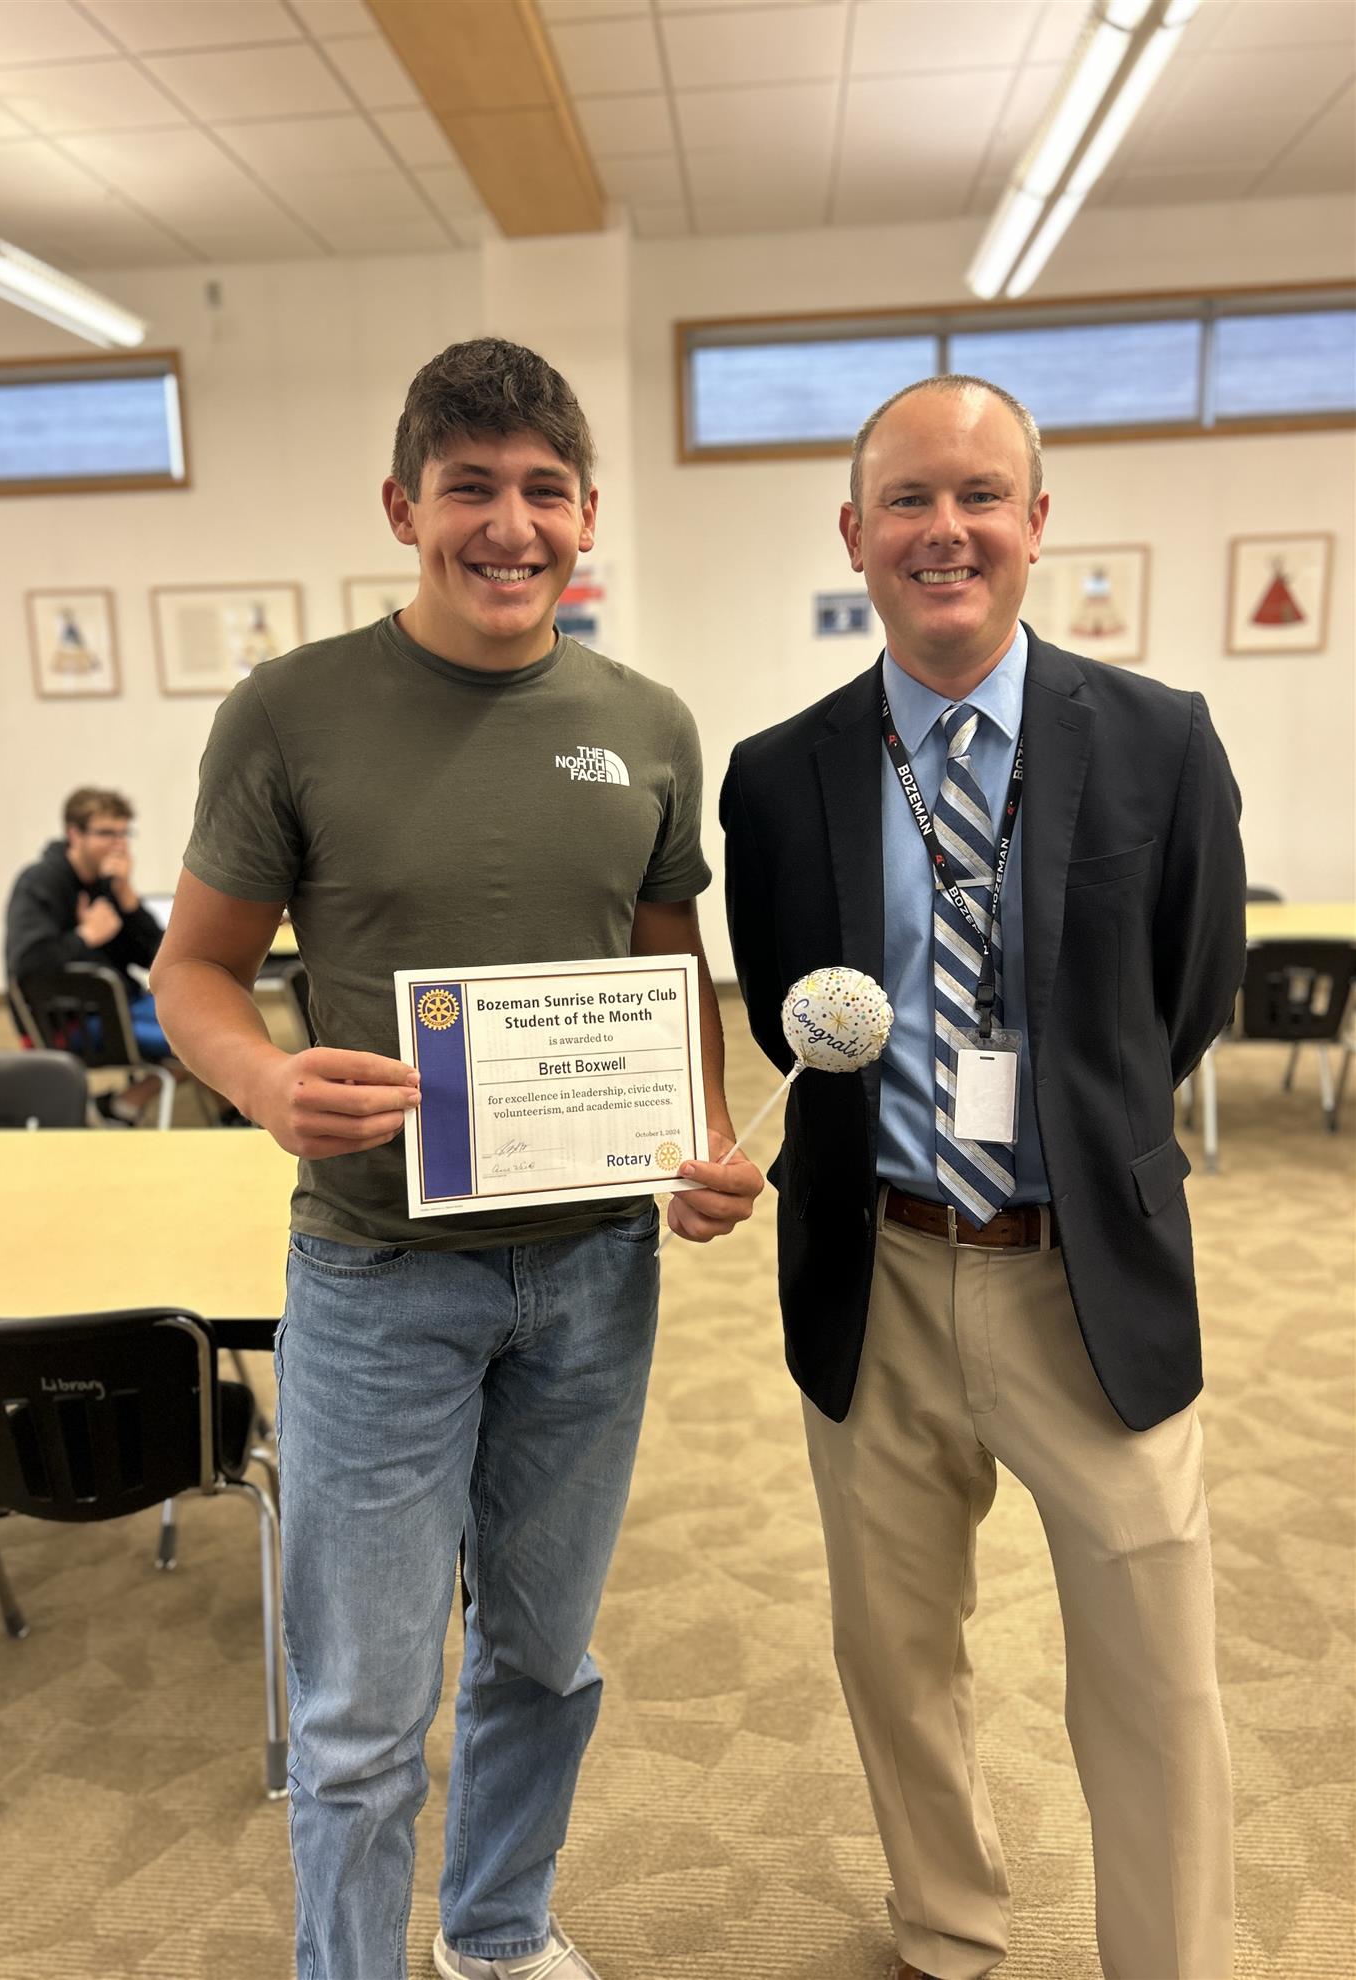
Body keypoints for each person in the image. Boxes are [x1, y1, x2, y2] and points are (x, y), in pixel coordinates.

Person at [150, 338, 762, 1980]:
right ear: (401, 506)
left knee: (545, 1657)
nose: (509, 525)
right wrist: (266, 1083)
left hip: (593, 1273)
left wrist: (702, 1136)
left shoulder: (646, 725)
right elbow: (191, 972)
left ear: (587, 515)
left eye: (544, 491)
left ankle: (495, 1931)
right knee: (361, 1709)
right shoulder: (291, 712)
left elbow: (669, 970)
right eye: (469, 488)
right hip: (375, 1279)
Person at [721, 375, 1243, 1980]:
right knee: (894, 1652)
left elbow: (1188, 996)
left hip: (1084, 1275)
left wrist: (1068, 1142)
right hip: (874, 1271)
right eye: (906, 500)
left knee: (1155, 1669)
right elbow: (795, 1017)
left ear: (1034, 520)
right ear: (853, 533)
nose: (943, 531)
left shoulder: (1157, 742)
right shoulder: (776, 775)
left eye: (978, 496)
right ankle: (947, 1930)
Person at [4, 786, 169, 1123]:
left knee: (207, 1022)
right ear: (74, 834)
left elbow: (160, 958)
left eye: (124, 834)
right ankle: (125, 1104)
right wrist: (85, 937)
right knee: (198, 1042)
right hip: (69, 1020)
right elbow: (27, 963)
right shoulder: (40, 882)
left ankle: (123, 1104)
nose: (119, 844)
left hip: (122, 1006)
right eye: (106, 833)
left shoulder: (108, 884)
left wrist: (127, 897)